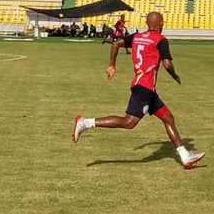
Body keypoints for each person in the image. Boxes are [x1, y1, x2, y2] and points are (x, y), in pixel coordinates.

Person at [72, 11, 205, 169]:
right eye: (162, 23)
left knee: (168, 117)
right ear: (160, 23)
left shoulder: (137, 37)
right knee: (129, 122)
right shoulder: (160, 40)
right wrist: (175, 76)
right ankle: (85, 123)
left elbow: (116, 44)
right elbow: (167, 64)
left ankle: (185, 157)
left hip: (144, 87)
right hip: (145, 88)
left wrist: (112, 65)